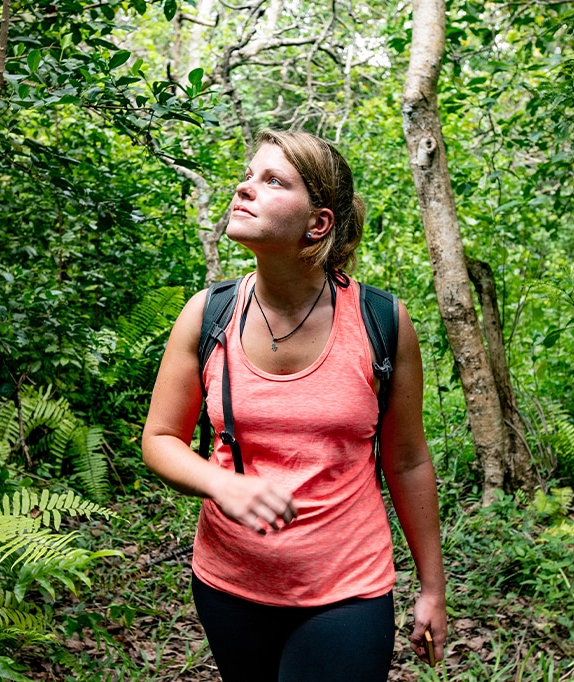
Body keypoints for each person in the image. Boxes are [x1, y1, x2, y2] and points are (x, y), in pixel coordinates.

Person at [141, 129, 447, 681]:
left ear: (318, 223)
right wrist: (224, 484)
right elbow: (160, 439)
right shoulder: (206, 315)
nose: (244, 188)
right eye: (248, 175)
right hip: (227, 584)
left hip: (347, 590)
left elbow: (407, 461)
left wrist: (432, 588)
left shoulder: (382, 322)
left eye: (272, 181)